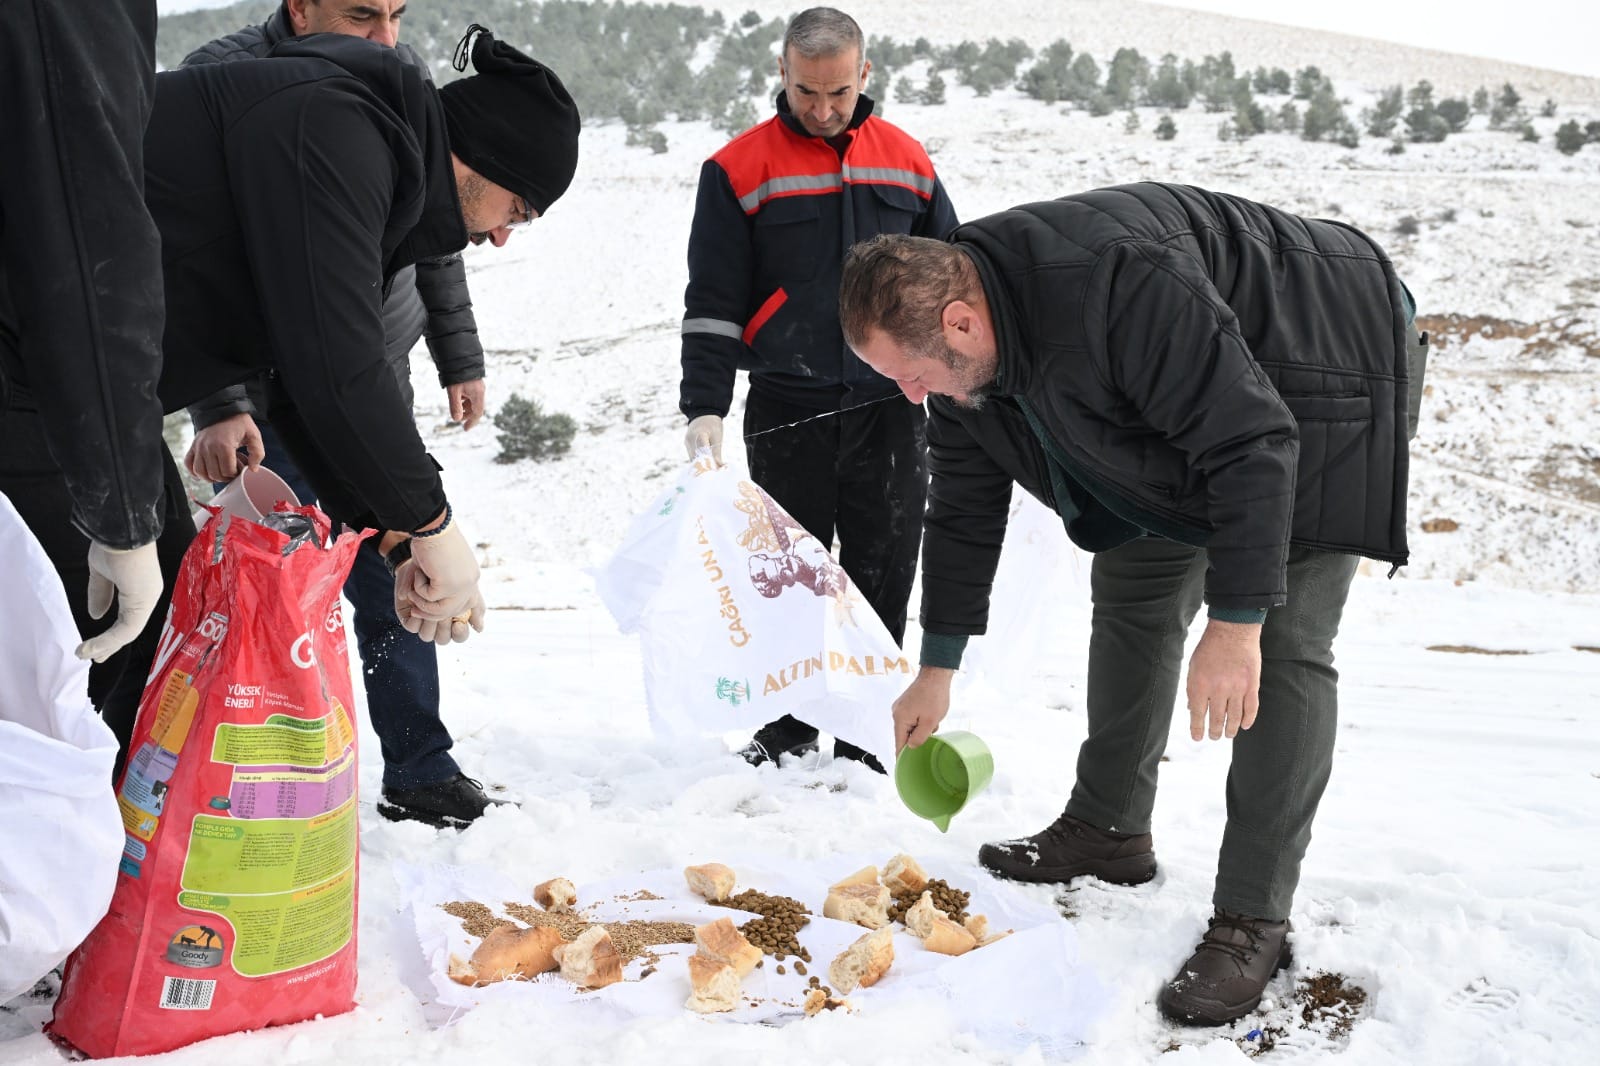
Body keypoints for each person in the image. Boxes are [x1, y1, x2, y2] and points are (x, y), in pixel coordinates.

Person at [837, 183, 1422, 1026]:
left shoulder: (1118, 283)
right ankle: (1110, 829)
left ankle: (1252, 915)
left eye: (910, 373)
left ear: (961, 324)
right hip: (1205, 393)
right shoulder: (965, 355)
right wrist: (938, 668)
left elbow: (1253, 442)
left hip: (1333, 361)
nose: (910, 395)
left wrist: (1235, 619)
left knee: (1283, 645)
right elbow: (962, 510)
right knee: (1134, 583)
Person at [140, 24, 580, 826]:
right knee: (131, 620)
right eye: (516, 207)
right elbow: (332, 366)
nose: (505, 234)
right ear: (476, 161)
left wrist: (397, 539)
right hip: (41, 357)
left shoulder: (379, 155)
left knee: (139, 610)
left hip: (92, 379)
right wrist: (431, 521)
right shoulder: (341, 132)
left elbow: (306, 385)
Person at [678, 6, 957, 770]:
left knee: (884, 569)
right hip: (786, 405)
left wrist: (961, 387)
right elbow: (712, 299)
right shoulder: (738, 168)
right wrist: (704, 405)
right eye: (808, 92)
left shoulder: (907, 162)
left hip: (890, 406)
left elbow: (953, 284)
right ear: (782, 73)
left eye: (839, 92)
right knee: (790, 579)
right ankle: (789, 729)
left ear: (865, 75)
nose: (825, 109)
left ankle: (871, 734)